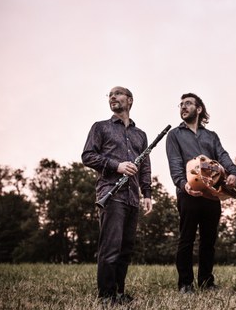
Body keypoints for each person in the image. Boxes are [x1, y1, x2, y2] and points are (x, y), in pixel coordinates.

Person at [82, 86, 153, 305]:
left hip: (132, 198)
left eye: (118, 93)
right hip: (110, 194)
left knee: (125, 249)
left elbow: (145, 167)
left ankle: (119, 293)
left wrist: (147, 193)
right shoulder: (100, 127)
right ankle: (105, 296)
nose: (113, 97)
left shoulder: (140, 134)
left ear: (129, 100)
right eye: (110, 95)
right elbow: (88, 156)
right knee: (110, 247)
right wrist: (117, 165)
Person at [166, 93, 236, 293]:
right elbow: (174, 164)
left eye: (188, 104)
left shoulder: (211, 136)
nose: (183, 107)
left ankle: (207, 282)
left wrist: (233, 173)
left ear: (198, 109)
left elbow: (222, 155)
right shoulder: (174, 135)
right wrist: (183, 184)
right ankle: (185, 284)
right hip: (188, 193)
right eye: (181, 104)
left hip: (212, 193)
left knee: (209, 240)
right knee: (186, 238)